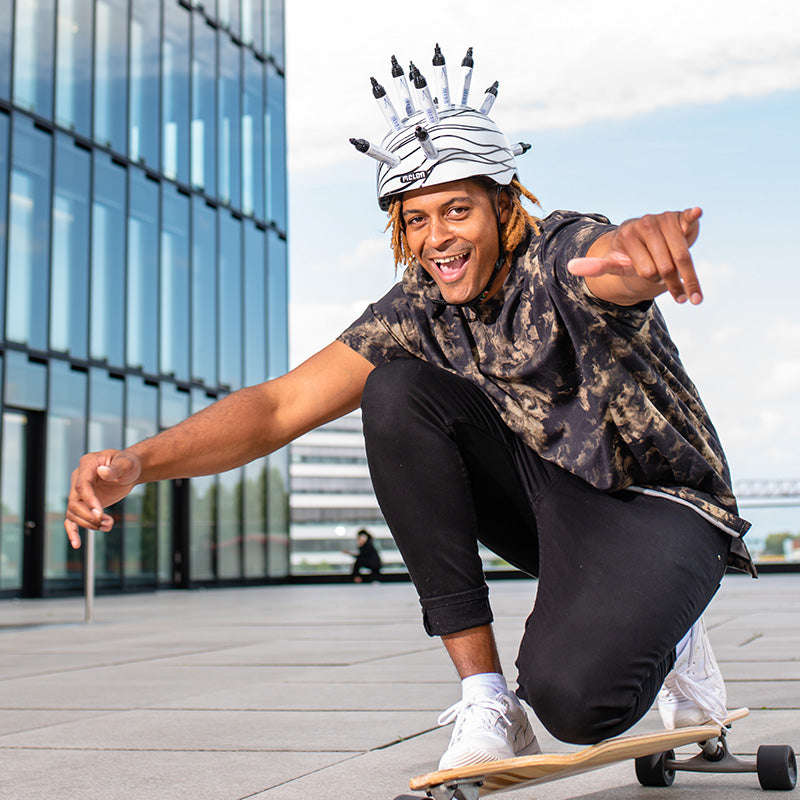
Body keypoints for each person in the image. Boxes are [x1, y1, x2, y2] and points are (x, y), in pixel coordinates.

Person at [65, 46, 755, 772]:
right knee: (394, 391)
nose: (437, 239)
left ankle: (674, 630)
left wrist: (640, 252)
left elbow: (609, 264)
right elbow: (277, 407)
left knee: (579, 705)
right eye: (417, 219)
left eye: (458, 210)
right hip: (554, 512)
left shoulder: (560, 253)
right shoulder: (414, 311)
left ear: (503, 204)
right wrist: (140, 463)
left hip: (666, 510)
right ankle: (487, 699)